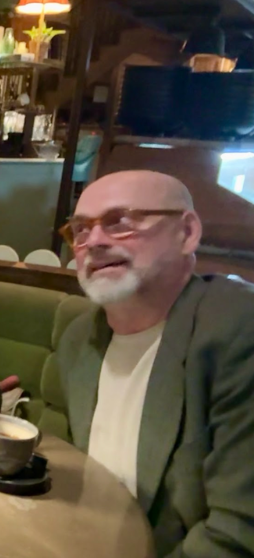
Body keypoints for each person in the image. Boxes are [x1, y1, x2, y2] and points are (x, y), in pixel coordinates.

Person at [56, 170, 254, 557]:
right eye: (80, 230)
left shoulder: (236, 332)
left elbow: (238, 533)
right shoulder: (79, 339)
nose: (94, 241)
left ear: (187, 233)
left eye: (120, 222)